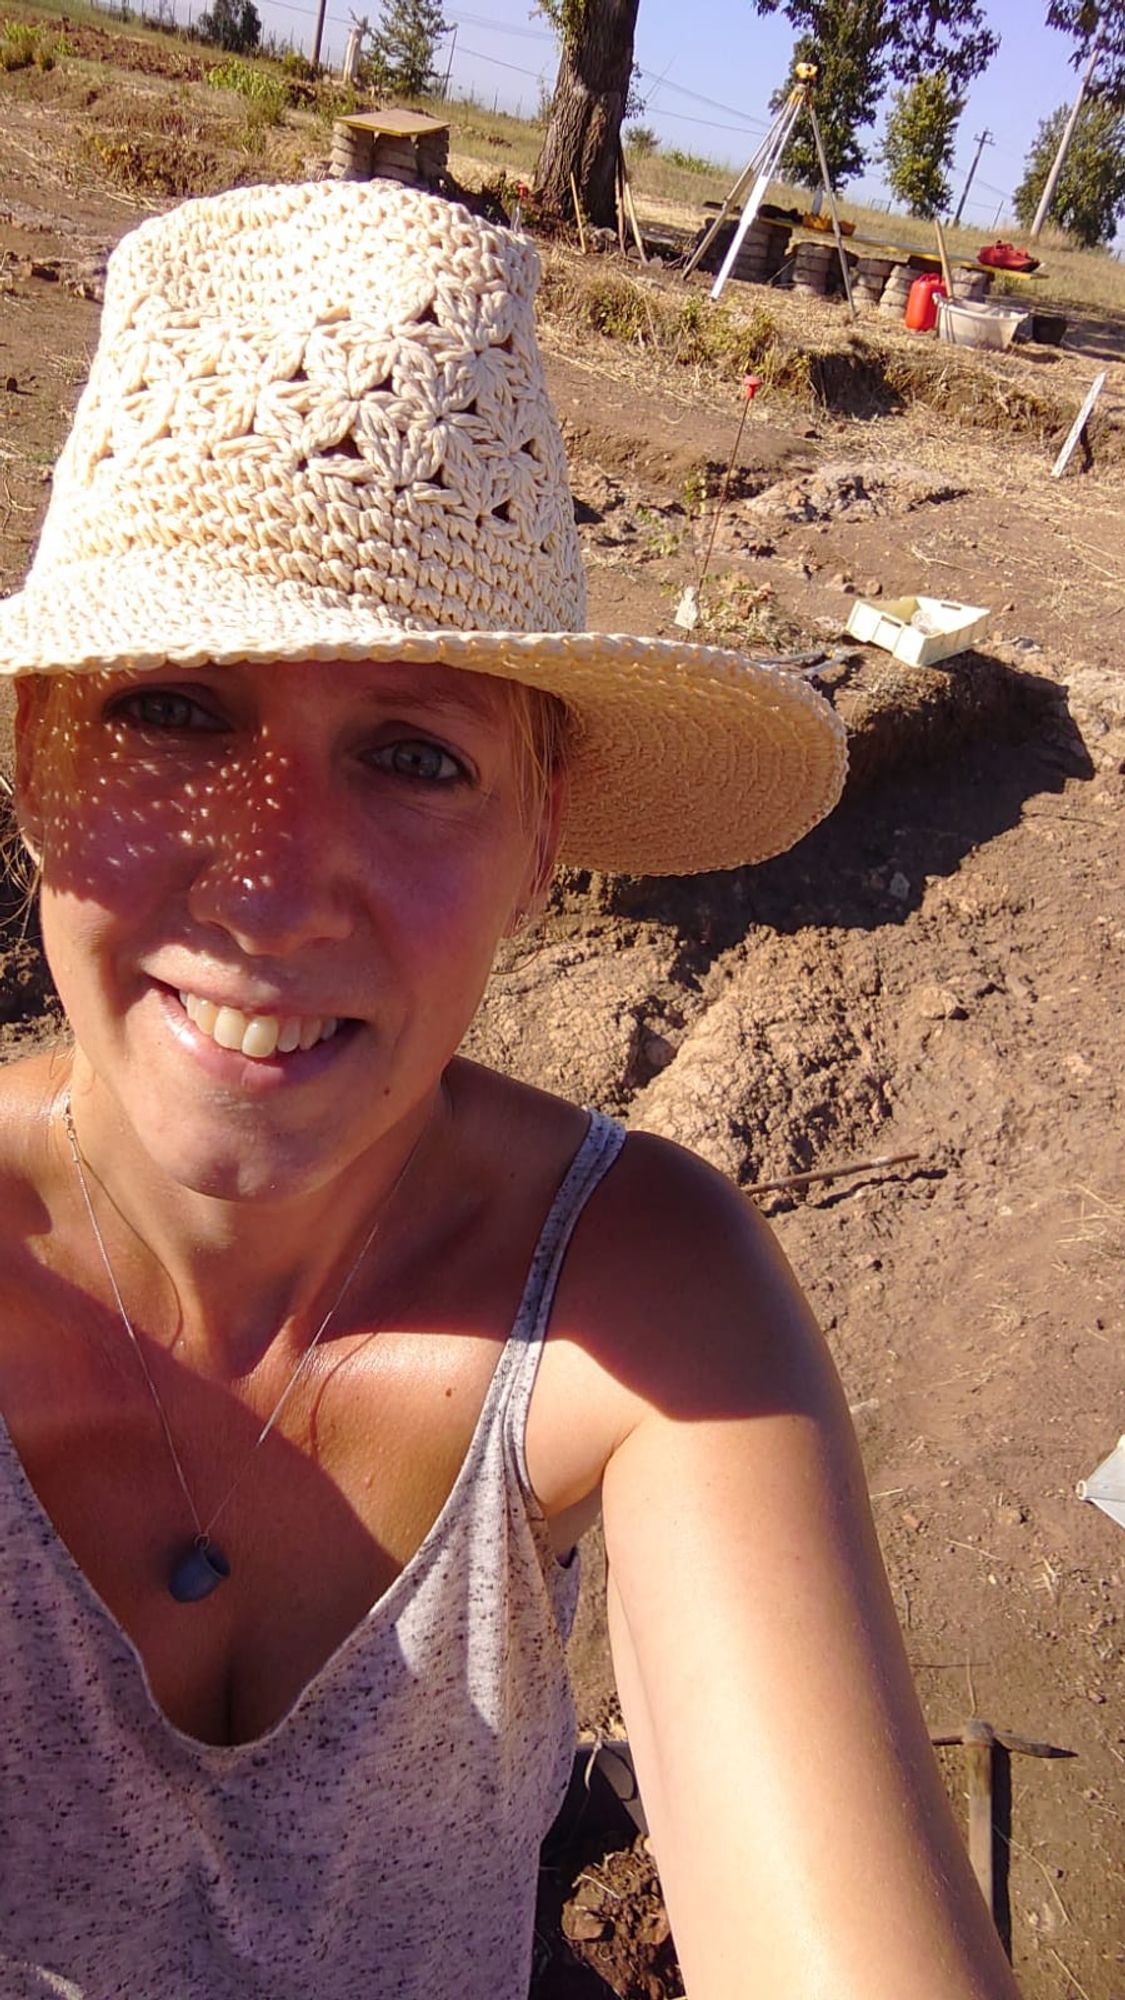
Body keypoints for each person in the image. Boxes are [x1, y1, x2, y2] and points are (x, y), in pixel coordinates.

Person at [0, 180, 1019, 2000]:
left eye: (410, 753)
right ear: (28, 764)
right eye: (170, 710)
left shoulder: (640, 1290)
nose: (269, 884)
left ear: (544, 833)